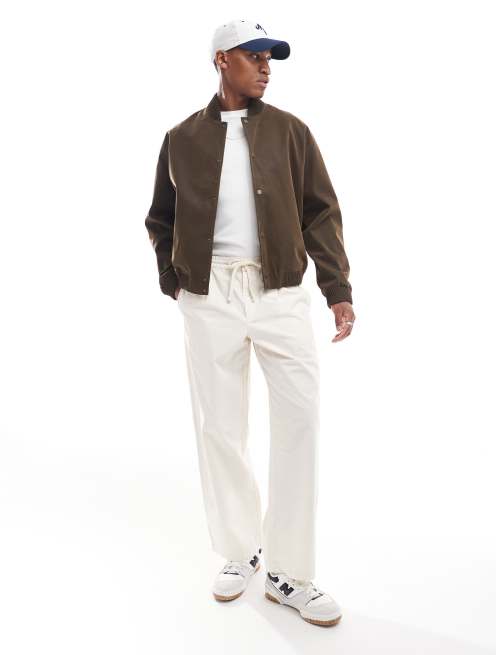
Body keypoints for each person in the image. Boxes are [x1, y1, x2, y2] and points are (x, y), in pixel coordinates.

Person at [144, 18, 355, 627]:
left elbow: (321, 211)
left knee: (299, 424)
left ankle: (290, 573)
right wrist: (174, 278)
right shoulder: (181, 137)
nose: (265, 66)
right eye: (254, 55)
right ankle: (241, 551)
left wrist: (337, 288)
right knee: (220, 427)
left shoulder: (291, 131)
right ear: (221, 60)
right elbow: (160, 217)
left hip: (279, 292)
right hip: (209, 295)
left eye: (271, 58)